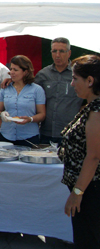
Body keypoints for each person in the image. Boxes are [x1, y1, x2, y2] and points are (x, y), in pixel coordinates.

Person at [59, 55, 100, 248]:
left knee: (88, 239)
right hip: (87, 189)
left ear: (90, 81)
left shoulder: (97, 110)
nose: (72, 83)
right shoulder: (91, 106)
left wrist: (77, 192)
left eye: (75, 78)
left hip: (91, 191)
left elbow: (93, 156)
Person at [35, 37, 84, 145]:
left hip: (71, 133)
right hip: (46, 133)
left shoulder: (79, 75)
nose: (57, 55)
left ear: (69, 53)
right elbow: (29, 93)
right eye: (54, 51)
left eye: (61, 51)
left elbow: (88, 100)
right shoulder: (43, 75)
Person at [0, 55, 46, 147]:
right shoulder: (5, 88)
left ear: (25, 72)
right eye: (11, 69)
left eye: (15, 70)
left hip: (28, 137)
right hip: (6, 135)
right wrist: (1, 115)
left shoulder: (37, 90)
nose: (11, 72)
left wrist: (30, 119)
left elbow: (42, 114)